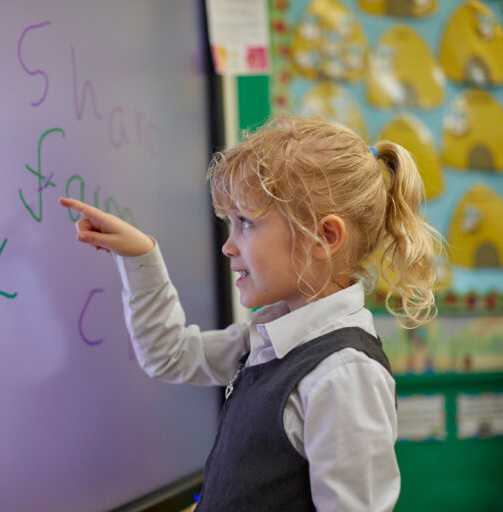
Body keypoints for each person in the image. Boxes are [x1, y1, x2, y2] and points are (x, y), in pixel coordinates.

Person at [58, 116, 441, 511]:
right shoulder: (269, 337)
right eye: (229, 223)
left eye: (245, 223)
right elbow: (169, 354)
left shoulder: (342, 374)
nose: (228, 246)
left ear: (324, 237)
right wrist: (141, 257)